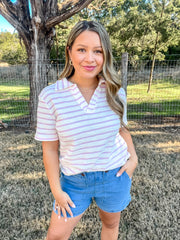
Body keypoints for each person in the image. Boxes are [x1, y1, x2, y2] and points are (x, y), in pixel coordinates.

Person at [35, 20, 138, 240]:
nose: (90, 58)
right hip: (74, 182)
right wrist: (57, 191)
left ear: (106, 55)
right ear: (69, 51)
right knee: (56, 236)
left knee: (110, 226)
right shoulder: (50, 96)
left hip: (114, 176)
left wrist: (133, 159)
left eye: (98, 51)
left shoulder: (115, 92)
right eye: (82, 49)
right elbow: (50, 149)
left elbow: (123, 128)